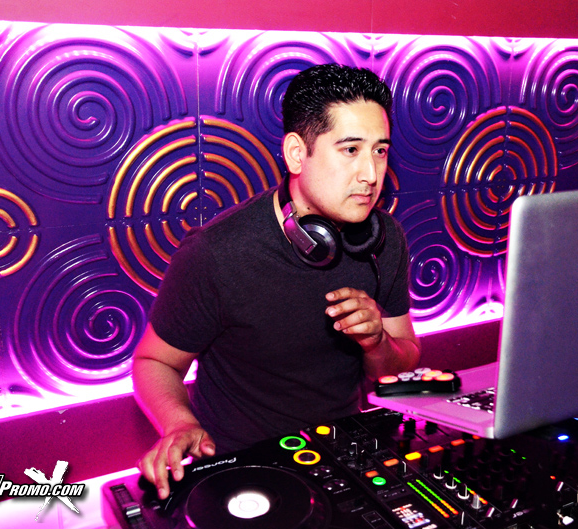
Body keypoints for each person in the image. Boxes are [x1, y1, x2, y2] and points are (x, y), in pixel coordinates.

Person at [132, 63, 421, 499]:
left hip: (343, 456)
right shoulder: (217, 253)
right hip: (244, 468)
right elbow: (154, 361)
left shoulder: (385, 240)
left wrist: (377, 341)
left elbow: (401, 365)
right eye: (350, 149)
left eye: (379, 151)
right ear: (296, 154)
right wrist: (179, 423)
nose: (370, 173)